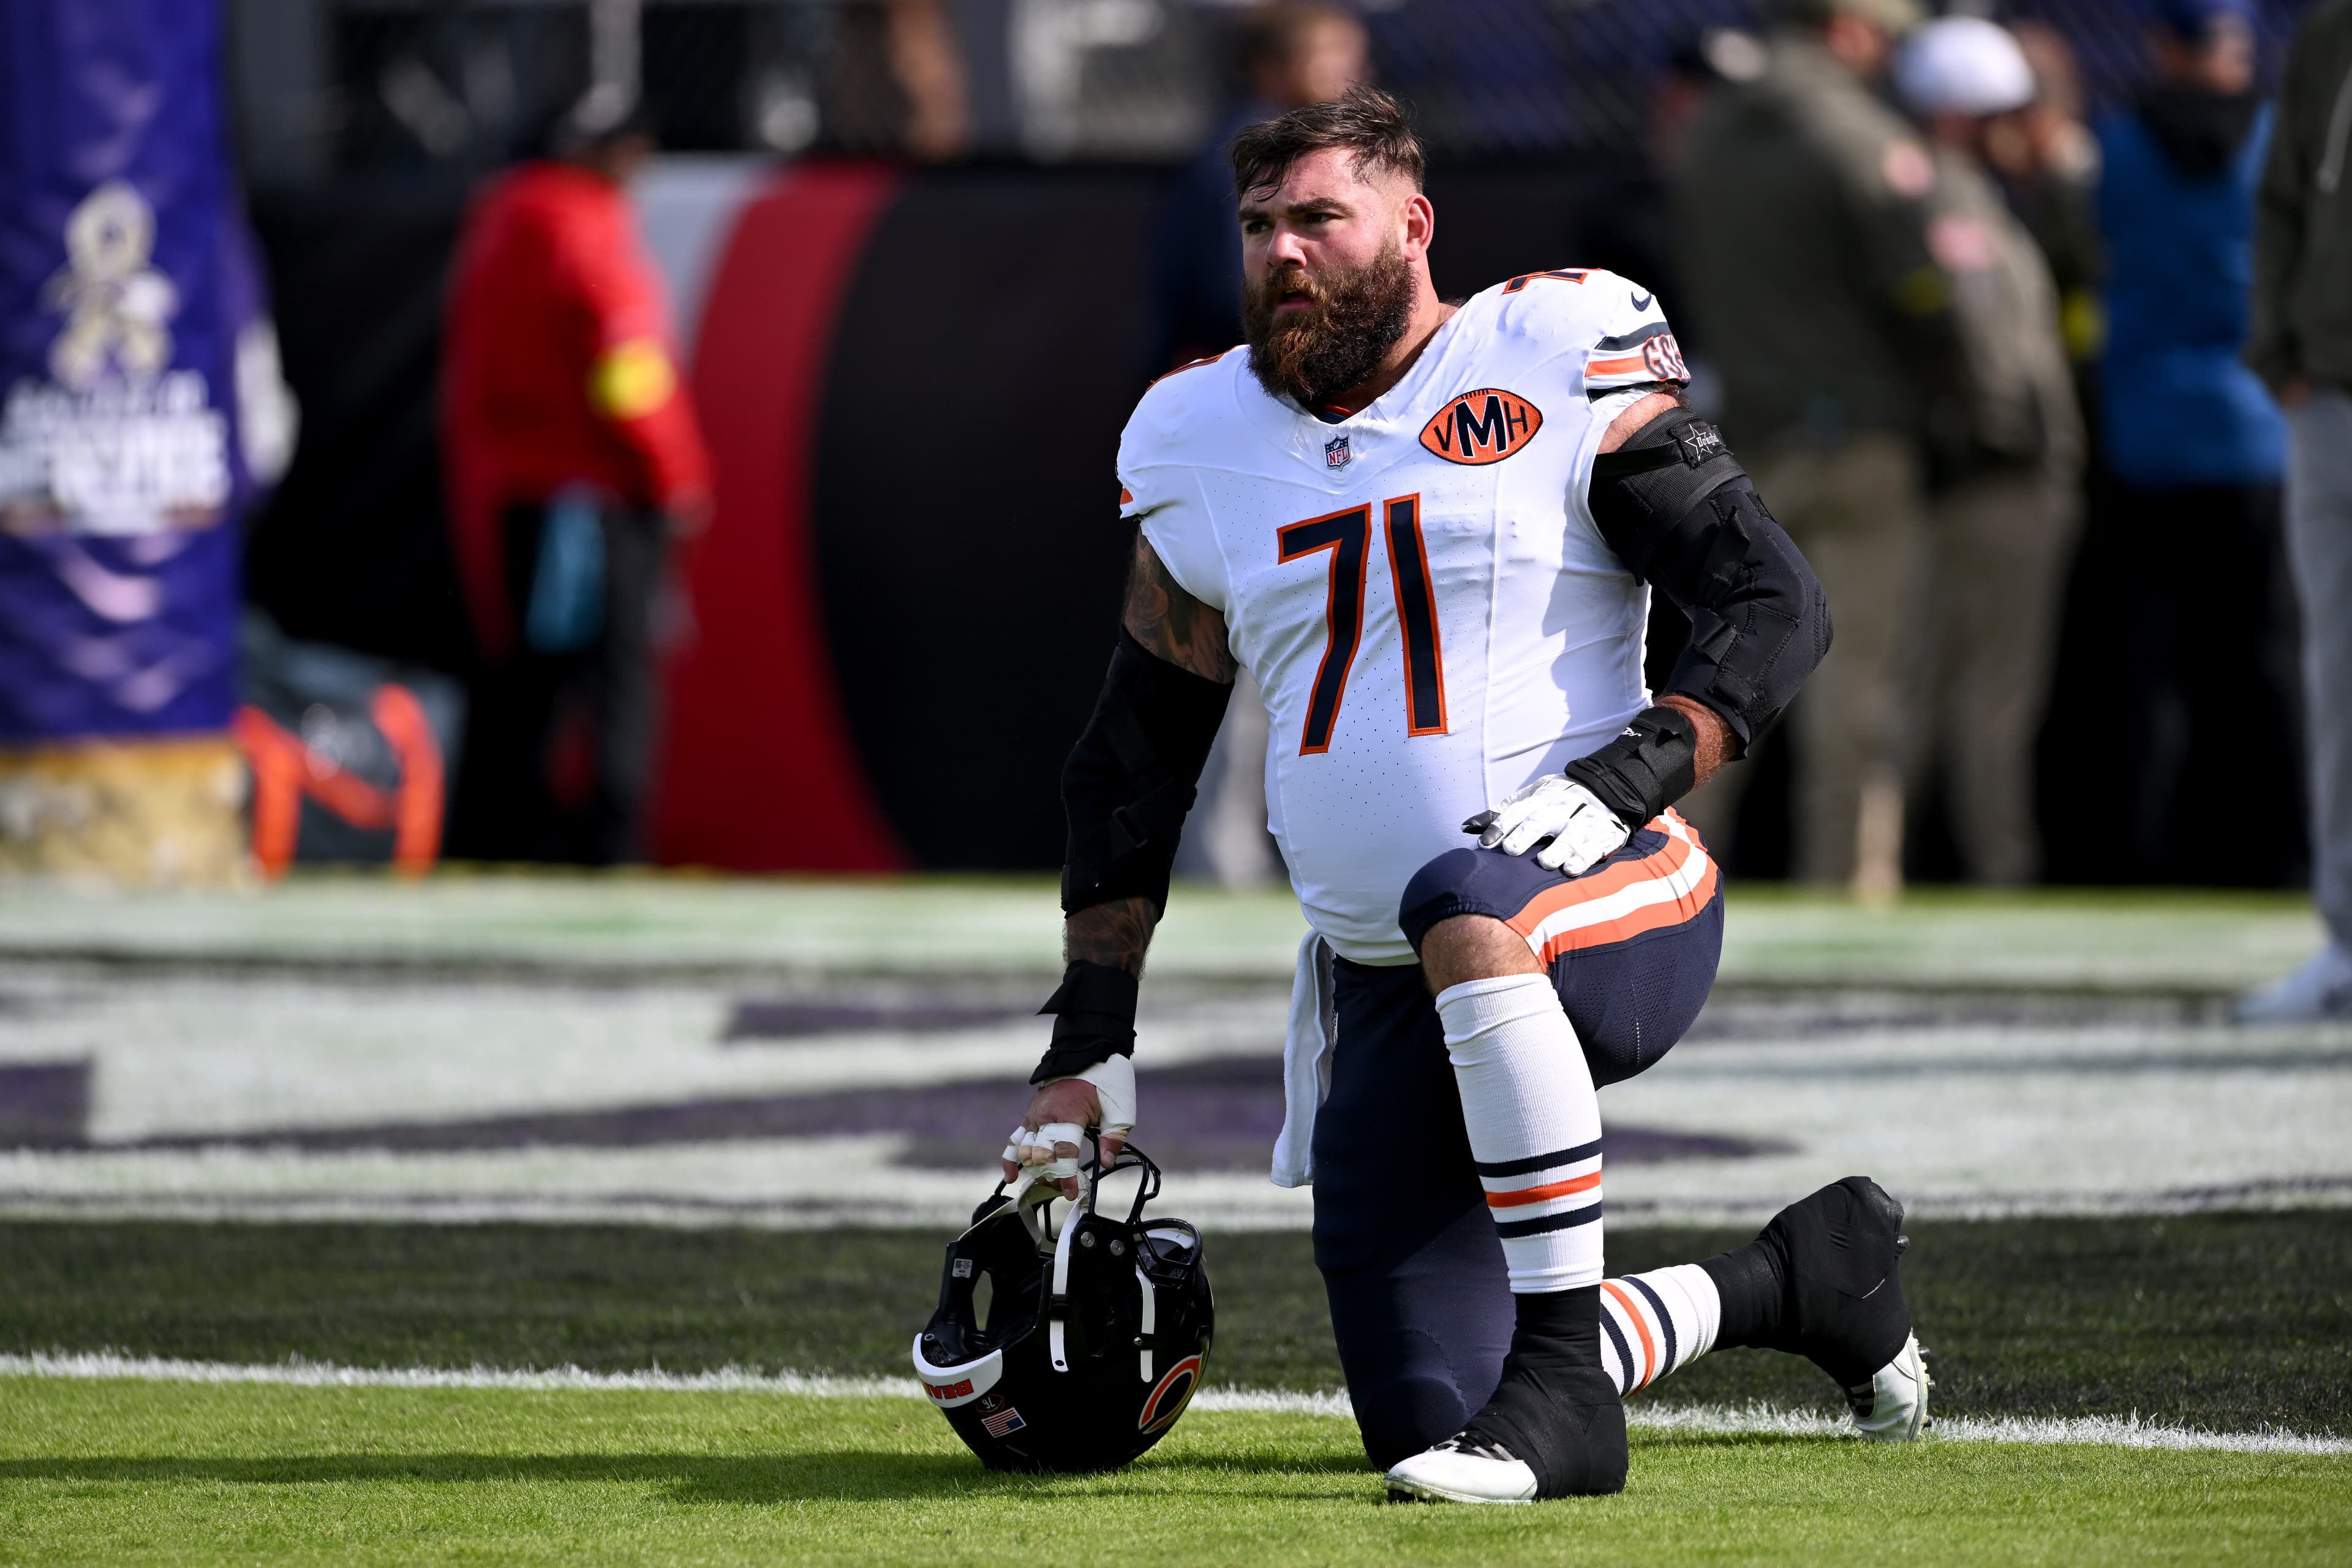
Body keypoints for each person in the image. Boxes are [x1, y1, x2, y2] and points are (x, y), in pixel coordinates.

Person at [996, 88, 1924, 1504]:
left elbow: (1767, 599)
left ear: (1412, 225)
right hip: (1380, 984)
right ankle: (1802, 1278)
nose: (1282, 254)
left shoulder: (1550, 347)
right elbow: (1135, 756)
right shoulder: (1195, 435)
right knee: (1427, 1418)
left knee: (1468, 896)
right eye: (1258, 226)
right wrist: (1086, 1041)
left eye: (1318, 216)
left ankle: (1560, 1391)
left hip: (1607, 893)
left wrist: (1633, 773)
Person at [1671, 0, 1965, 896]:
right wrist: (1947, 381)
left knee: (1720, 674)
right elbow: (1927, 293)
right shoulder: (1862, 138)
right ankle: (1849, 886)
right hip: (1861, 441)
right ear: (1846, 30)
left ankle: (1663, 884)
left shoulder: (1709, 137)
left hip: (1745, 442)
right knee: (1858, 691)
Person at [439, 96, 712, 865]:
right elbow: (628, 370)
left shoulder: (500, 223)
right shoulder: (585, 228)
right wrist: (677, 473)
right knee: (616, 680)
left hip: (522, 492)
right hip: (595, 496)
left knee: (535, 677)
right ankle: (610, 844)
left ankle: (503, 837)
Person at [1150, 2, 1370, 890]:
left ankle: (1262, 869)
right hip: (1248, 447)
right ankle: (1221, 873)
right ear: (1276, 69)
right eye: (1330, 56)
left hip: (1277, 442)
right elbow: (1238, 309)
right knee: (1237, 667)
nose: (1352, 72)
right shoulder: (1248, 169)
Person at [2092, 0, 2300, 888]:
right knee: (2264, 660)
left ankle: (2155, 856)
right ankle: (2278, 852)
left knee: (2153, 669)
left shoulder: (2116, 151)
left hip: (2145, 436)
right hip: (2257, 432)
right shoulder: (2275, 143)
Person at [1895, 18, 2086, 884]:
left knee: (1951, 690)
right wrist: (2008, 432)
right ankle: (1998, 868)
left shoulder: (1961, 196)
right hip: (2002, 481)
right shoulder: (1953, 200)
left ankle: (1908, 865)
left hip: (1983, 476)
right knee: (1991, 696)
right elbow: (1989, 345)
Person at [2240, 0, 2352, 1020]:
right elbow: (2281, 196)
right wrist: (2280, 350)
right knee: (2339, 673)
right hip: (2331, 391)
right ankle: (2349, 941)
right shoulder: (2329, 32)